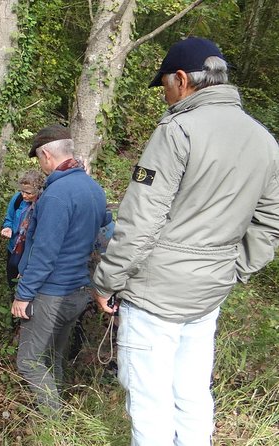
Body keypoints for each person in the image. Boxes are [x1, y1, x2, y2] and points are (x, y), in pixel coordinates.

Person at [92, 37, 279, 446]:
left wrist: (107, 281)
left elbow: (141, 219)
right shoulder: (265, 141)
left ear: (182, 79)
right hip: (209, 292)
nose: (164, 96)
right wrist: (234, 270)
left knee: (148, 401)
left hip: (156, 293)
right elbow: (269, 223)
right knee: (192, 394)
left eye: (164, 86)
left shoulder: (178, 130)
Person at [11, 124, 107, 412]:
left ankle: (55, 423)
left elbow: (45, 251)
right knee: (54, 357)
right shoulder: (93, 189)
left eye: (39, 160)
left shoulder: (56, 194)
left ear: (46, 156)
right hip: (78, 289)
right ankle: (59, 414)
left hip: (52, 293)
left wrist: (24, 294)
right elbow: (104, 229)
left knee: (28, 360)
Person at [0, 170, 43, 288]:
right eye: (22, 191)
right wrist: (8, 227)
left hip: (30, 252)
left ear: (38, 190)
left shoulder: (43, 204)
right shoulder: (18, 199)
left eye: (28, 193)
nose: (24, 195)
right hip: (13, 248)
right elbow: (9, 217)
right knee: (12, 282)